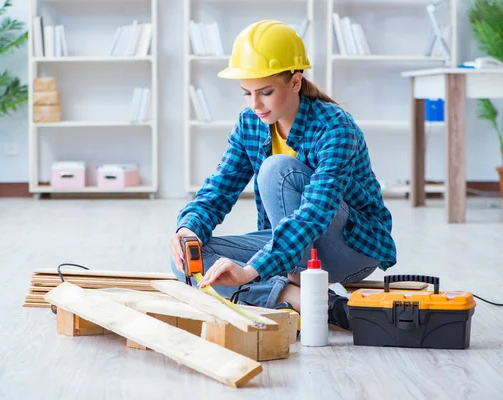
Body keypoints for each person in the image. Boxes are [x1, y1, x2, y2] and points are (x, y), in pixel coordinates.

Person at [169, 20, 397, 330]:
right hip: (289, 249)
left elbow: (316, 213)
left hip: (350, 249)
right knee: (188, 260)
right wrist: (189, 228)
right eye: (246, 93)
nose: (255, 104)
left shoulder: (335, 127)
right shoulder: (250, 123)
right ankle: (316, 303)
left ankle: (275, 284)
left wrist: (252, 271)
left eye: (265, 91)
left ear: (295, 82)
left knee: (279, 171)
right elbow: (220, 188)